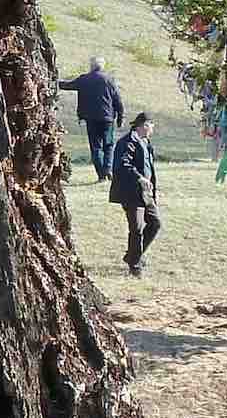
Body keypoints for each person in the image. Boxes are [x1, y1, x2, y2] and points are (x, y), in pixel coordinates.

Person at [108, 111, 160, 277]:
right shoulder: (126, 142)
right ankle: (135, 266)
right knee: (136, 228)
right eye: (151, 125)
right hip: (130, 192)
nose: (153, 128)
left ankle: (133, 256)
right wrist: (139, 178)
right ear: (144, 125)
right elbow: (123, 164)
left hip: (146, 193)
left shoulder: (146, 142)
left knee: (155, 223)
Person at [59, 56, 125, 182]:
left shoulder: (84, 79)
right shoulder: (109, 80)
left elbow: (68, 85)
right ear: (102, 66)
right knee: (109, 145)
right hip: (107, 118)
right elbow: (117, 100)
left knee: (96, 147)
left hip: (91, 118)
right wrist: (120, 117)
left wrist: (54, 81)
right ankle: (108, 170)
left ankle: (101, 175)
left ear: (91, 66)